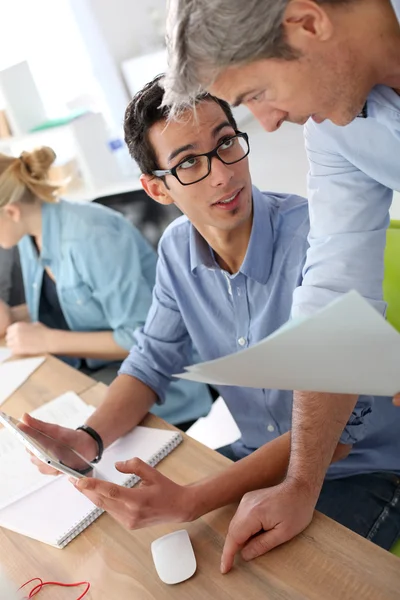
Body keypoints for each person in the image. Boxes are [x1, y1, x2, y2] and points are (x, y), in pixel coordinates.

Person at [26, 77, 400, 574]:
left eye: (226, 143)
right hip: (253, 458)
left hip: (362, 469)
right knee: (125, 553)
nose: (222, 175)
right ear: (157, 188)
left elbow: (342, 430)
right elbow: (150, 362)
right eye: (188, 163)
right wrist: (90, 437)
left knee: (253, 579)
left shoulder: (319, 241)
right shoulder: (177, 250)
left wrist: (194, 499)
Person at [163, 0, 400, 555]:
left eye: (258, 95)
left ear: (308, 22)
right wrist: (300, 483)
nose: (268, 123)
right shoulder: (335, 129)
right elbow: (336, 297)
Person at [0, 147, 211, 427]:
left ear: (12, 211)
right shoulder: (30, 233)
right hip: (92, 375)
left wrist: (47, 340)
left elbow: (141, 338)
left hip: (156, 389)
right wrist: (15, 316)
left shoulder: (91, 237)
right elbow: (75, 302)